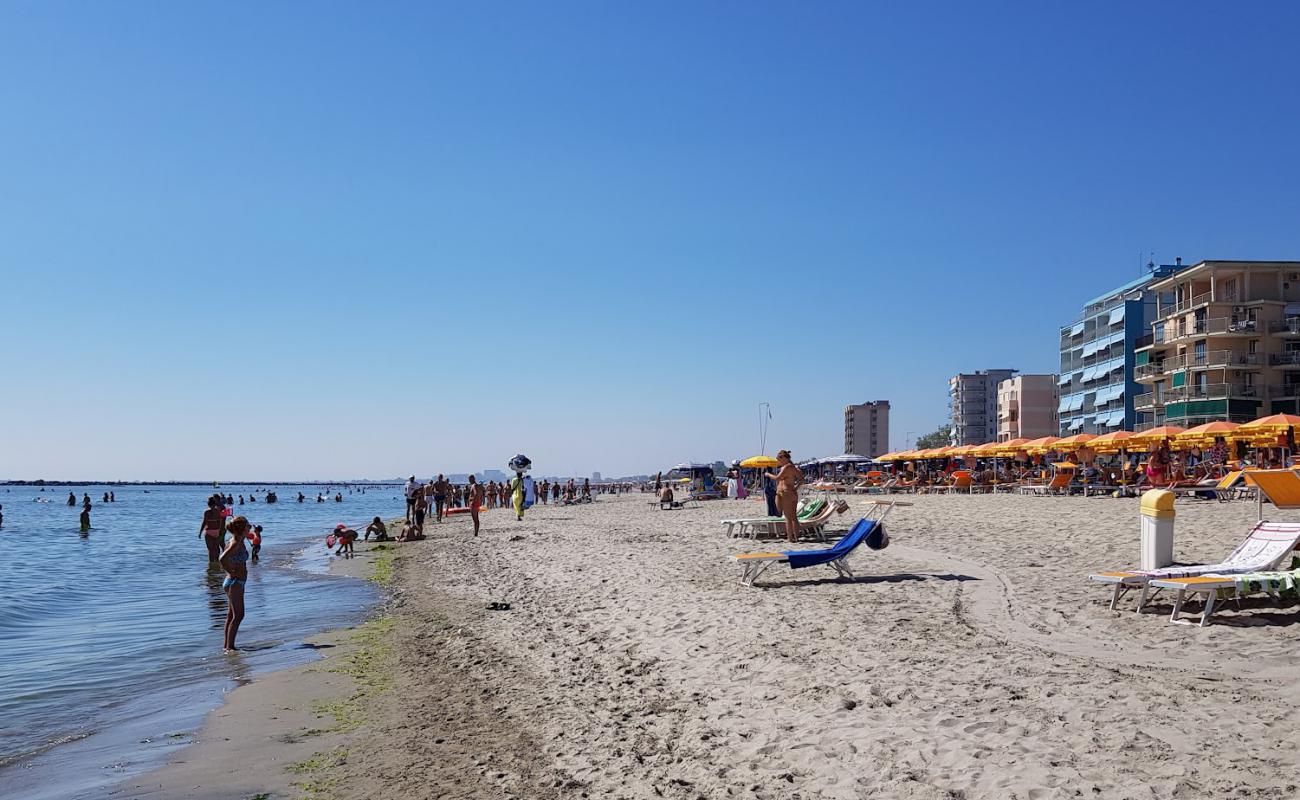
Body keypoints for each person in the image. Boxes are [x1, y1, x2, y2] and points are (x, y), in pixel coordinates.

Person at [219, 516, 251, 652]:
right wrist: (230, 571)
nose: (250, 527)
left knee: (231, 615)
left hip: (236, 582)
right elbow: (222, 558)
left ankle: (227, 646)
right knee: (239, 615)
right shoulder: (235, 543)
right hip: (234, 582)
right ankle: (230, 647)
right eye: (248, 525)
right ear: (243, 528)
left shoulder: (239, 541)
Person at [764, 450, 803, 544]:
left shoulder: (786, 467)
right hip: (790, 492)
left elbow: (778, 478)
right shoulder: (794, 468)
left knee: (787, 517)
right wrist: (796, 488)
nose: (778, 462)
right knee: (793, 516)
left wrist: (768, 474)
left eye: (779, 459)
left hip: (785, 493)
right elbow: (801, 479)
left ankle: (790, 538)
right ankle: (796, 537)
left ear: (784, 458)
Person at [199, 497, 226, 562]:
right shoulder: (218, 511)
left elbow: (204, 522)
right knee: (216, 549)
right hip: (216, 531)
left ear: (208, 505)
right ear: (215, 504)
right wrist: (219, 529)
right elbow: (220, 521)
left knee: (210, 550)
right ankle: (217, 562)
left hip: (209, 532)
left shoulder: (207, 512)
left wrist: (200, 532)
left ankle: (211, 564)